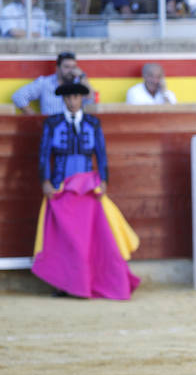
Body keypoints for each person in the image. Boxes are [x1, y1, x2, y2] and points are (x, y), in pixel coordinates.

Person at [33, 82, 140, 300]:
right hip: (61, 187)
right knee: (64, 240)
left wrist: (103, 180)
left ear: (82, 99)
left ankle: (89, 282)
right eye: (68, 98)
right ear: (63, 100)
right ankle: (65, 284)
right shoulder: (52, 124)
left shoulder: (93, 123)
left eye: (76, 97)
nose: (72, 102)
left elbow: (101, 155)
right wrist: (45, 181)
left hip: (87, 188)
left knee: (90, 238)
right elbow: (44, 155)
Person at [12, 52, 96, 115]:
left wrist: (83, 77)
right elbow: (18, 96)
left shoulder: (79, 83)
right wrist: (35, 118)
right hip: (52, 130)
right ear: (57, 68)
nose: (71, 71)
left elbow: (91, 101)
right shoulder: (45, 83)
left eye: (73, 67)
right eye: (67, 67)